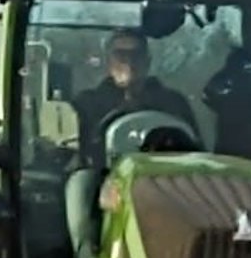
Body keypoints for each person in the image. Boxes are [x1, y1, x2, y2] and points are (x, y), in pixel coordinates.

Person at [71, 28, 199, 167]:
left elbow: (194, 152)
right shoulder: (86, 104)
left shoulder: (173, 103)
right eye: (121, 55)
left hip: (160, 176)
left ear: (147, 61)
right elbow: (72, 152)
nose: (128, 62)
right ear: (108, 62)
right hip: (101, 178)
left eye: (136, 55)